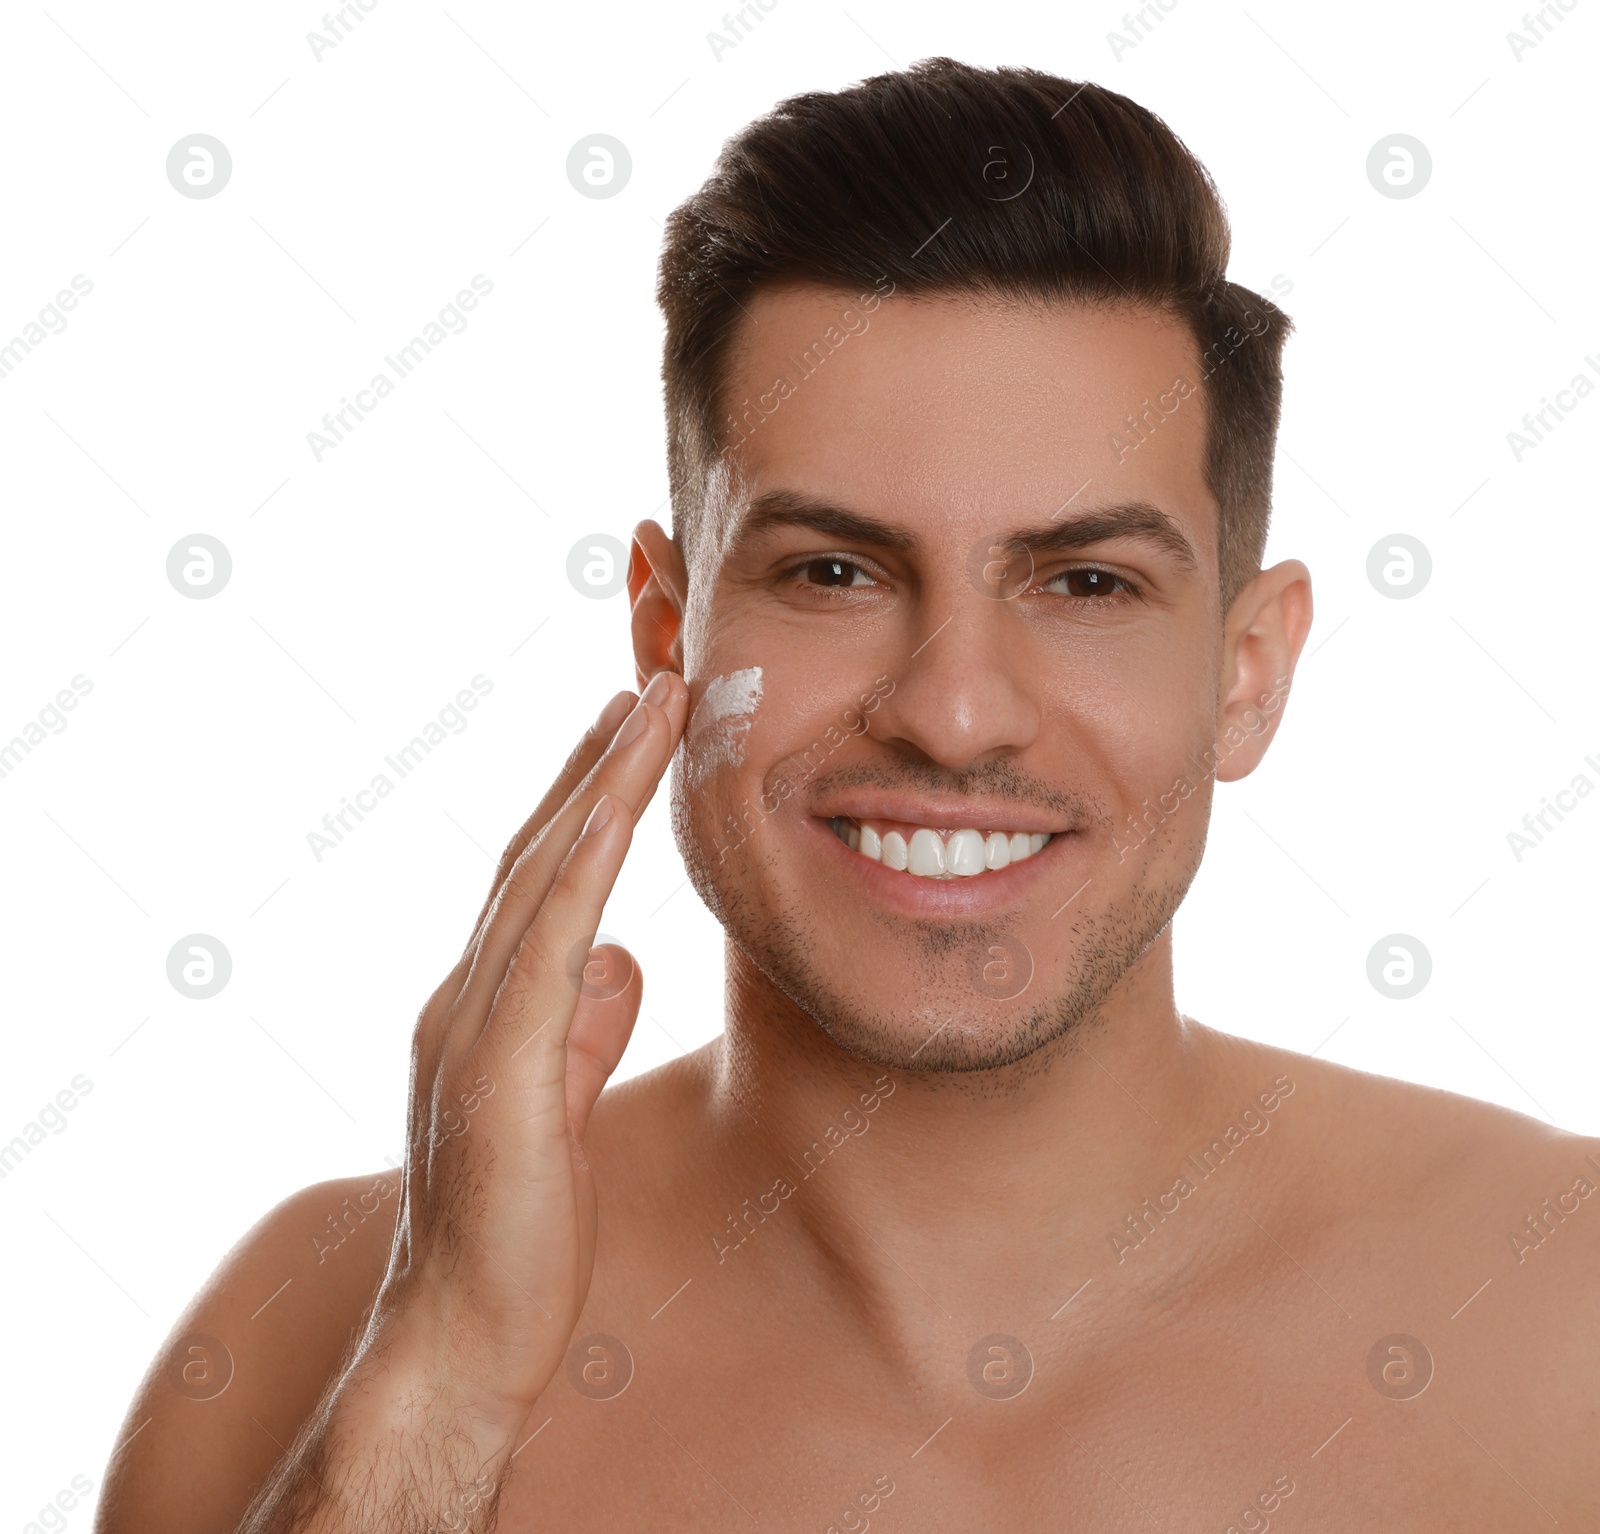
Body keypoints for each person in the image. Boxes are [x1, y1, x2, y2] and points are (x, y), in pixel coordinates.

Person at [98, 57, 1598, 1532]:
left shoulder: (1559, 1312)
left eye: (1086, 580)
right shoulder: (314, 1342)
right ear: (664, 631)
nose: (954, 713)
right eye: (832, 571)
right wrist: (439, 1385)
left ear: (1247, 673)